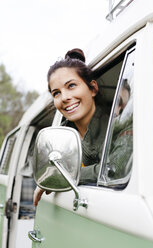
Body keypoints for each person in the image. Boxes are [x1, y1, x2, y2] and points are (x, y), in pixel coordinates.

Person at [33, 48, 109, 206]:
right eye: (56, 93)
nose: (65, 97)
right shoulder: (60, 137)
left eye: (72, 85)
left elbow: (112, 170)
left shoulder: (117, 124)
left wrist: (61, 176)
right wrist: (50, 178)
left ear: (93, 88)